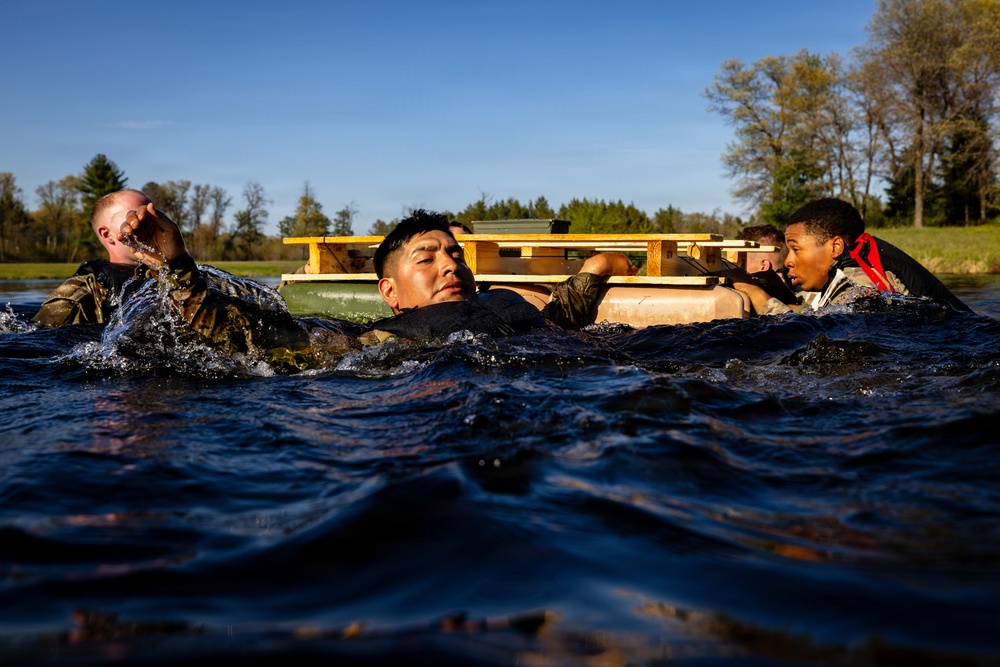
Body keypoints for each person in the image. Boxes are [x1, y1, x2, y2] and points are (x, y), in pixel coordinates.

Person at [115, 205, 636, 370]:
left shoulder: (506, 302)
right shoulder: (384, 341)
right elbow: (248, 341)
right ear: (390, 292)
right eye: (426, 258)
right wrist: (177, 266)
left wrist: (599, 265)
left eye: (455, 255)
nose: (450, 265)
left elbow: (563, 313)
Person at [730, 198, 971, 315]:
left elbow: (816, 336)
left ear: (835, 247)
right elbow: (819, 314)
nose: (787, 261)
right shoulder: (850, 271)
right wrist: (778, 294)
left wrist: (753, 293)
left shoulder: (859, 279)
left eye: (796, 248)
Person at [31, 189, 152, 327]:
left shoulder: (170, 276)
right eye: (137, 218)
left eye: (154, 217)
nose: (152, 226)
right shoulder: (84, 290)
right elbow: (40, 334)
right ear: (106, 234)